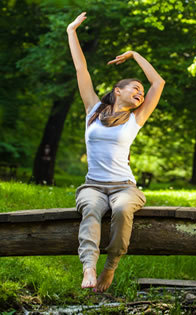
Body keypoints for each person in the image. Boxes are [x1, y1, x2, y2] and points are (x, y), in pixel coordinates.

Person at [67, 12, 165, 292]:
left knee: (121, 209)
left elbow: (158, 84)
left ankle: (110, 268)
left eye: (141, 92)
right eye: (135, 88)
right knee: (91, 209)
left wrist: (134, 54)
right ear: (117, 90)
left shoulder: (136, 118)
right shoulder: (93, 111)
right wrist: (71, 30)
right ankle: (88, 267)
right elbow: (81, 70)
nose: (141, 92)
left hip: (124, 187)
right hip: (93, 186)